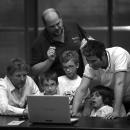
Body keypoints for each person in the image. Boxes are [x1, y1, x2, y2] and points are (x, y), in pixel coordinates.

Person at [72, 40, 130, 119]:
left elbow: (119, 83)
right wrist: (74, 113)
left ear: (103, 55)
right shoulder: (89, 67)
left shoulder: (119, 54)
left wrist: (116, 112)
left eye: (93, 61)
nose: (90, 64)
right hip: (117, 99)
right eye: (88, 61)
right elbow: (82, 89)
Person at [31, 8, 90, 81]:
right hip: (57, 85)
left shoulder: (73, 26)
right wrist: (49, 61)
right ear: (45, 26)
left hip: (80, 80)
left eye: (58, 23)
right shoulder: (39, 42)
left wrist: (88, 45)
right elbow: (34, 71)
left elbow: (89, 41)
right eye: (52, 26)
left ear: (61, 19)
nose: (56, 27)